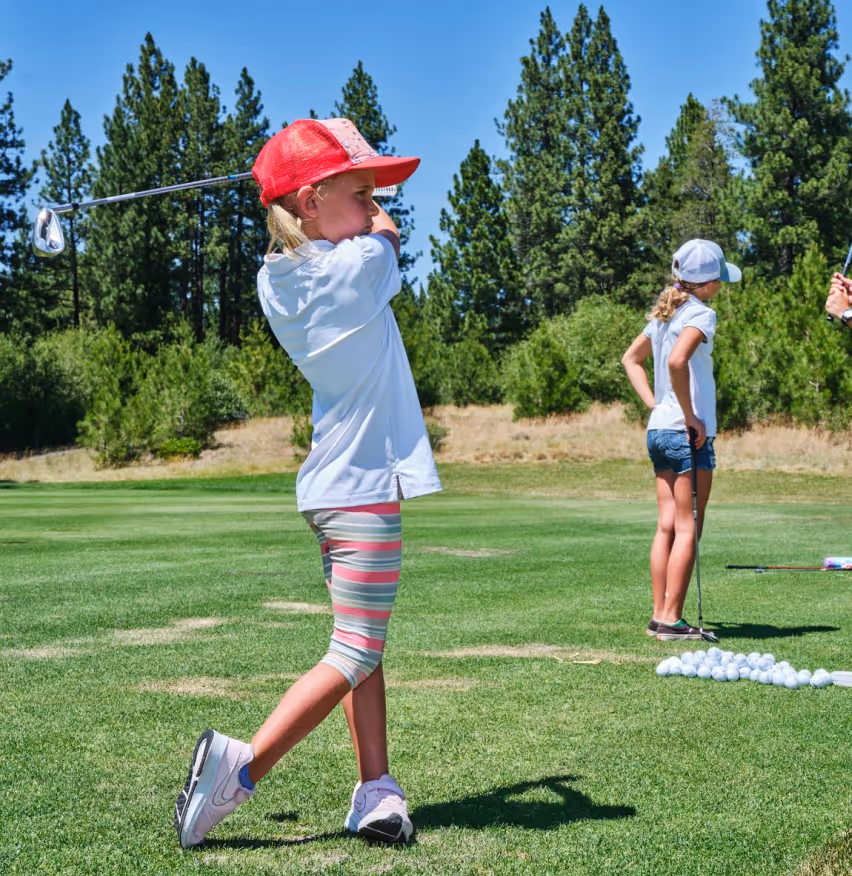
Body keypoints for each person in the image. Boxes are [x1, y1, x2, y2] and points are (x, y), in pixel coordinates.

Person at [174, 119, 442, 849]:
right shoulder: (358, 267)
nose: (377, 204)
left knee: (364, 644)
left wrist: (328, 190)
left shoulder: (277, 278)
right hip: (361, 491)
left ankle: (375, 788)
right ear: (313, 199)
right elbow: (385, 236)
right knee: (353, 651)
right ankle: (240, 768)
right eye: (361, 191)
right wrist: (367, 216)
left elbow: (347, 231)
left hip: (331, 490)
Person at [621, 239, 741, 641]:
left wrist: (658, 405)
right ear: (706, 284)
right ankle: (672, 620)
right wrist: (688, 415)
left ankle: (660, 616)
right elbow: (677, 361)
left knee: (666, 526)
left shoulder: (662, 314)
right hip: (684, 433)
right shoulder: (701, 315)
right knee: (689, 527)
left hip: (659, 430)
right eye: (719, 281)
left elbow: (630, 360)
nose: (721, 287)